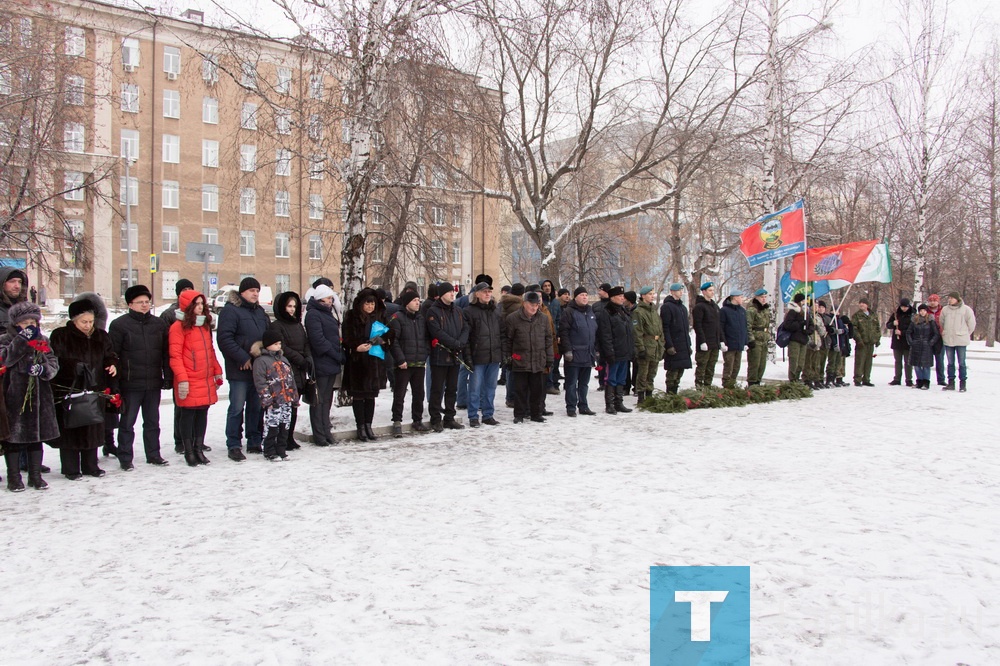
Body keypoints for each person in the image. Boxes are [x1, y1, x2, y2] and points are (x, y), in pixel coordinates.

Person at [50, 298, 119, 479]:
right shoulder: (61, 336)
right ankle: (71, 468)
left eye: (91, 321)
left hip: (95, 388)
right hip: (70, 390)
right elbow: (54, 361)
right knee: (71, 428)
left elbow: (110, 354)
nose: (88, 326)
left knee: (93, 425)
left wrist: (111, 363)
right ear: (73, 320)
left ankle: (91, 465)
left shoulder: (101, 336)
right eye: (84, 322)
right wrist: (73, 367)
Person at [108, 284, 171, 470]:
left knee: (152, 422)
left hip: (152, 381)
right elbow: (113, 355)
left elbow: (166, 353)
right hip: (130, 383)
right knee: (127, 423)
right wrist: (116, 383)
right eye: (140, 302)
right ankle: (125, 457)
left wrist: (167, 376)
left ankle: (153, 454)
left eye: (147, 302)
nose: (145, 305)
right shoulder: (119, 325)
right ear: (130, 304)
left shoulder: (159, 324)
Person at [1, 302, 59, 491]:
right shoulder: (6, 339)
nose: (30, 326)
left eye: (33, 321)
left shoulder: (42, 339)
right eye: (25, 322)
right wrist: (21, 340)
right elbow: (5, 359)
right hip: (14, 396)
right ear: (16, 323)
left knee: (36, 436)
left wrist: (43, 369)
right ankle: (14, 477)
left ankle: (35, 476)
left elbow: (52, 362)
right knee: (14, 438)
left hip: (39, 396)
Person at [217, 277, 270, 461]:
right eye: (251, 291)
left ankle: (255, 440)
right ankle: (234, 443)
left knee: (256, 406)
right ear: (242, 292)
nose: (255, 294)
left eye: (257, 290)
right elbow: (225, 339)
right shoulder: (231, 311)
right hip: (239, 368)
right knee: (237, 407)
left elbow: (268, 336)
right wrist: (243, 357)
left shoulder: (260, 312)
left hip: (258, 368)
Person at [168, 291, 221, 466]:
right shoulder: (178, 327)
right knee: (188, 414)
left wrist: (217, 370)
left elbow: (210, 351)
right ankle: (189, 450)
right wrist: (182, 379)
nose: (200, 307)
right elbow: (175, 356)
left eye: (201, 304)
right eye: (196, 304)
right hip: (189, 378)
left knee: (202, 413)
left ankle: (199, 448)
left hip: (204, 377)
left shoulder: (204, 325)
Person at [341, 288, 390, 440]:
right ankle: (360, 426)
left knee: (371, 396)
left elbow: (389, 336)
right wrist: (356, 346)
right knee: (358, 396)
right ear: (361, 304)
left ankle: (368, 425)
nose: (370, 307)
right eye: (367, 304)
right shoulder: (351, 317)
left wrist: (381, 341)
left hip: (374, 361)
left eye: (373, 304)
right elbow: (347, 337)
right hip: (358, 362)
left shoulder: (379, 317)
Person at [267, 291, 311, 451]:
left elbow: (306, 342)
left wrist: (308, 357)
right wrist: (300, 359)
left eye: (294, 306)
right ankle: (281, 437)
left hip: (299, 371)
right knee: (284, 406)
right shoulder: (277, 325)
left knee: (294, 405)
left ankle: (290, 436)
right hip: (286, 369)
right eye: (289, 306)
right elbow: (282, 347)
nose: (292, 309)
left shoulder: (298, 324)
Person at [304, 284, 345, 447]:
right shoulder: (313, 315)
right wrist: (335, 354)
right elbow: (318, 340)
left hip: (331, 362)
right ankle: (319, 434)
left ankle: (326, 430)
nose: (331, 301)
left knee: (326, 399)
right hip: (322, 362)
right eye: (329, 298)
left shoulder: (327, 314)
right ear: (321, 299)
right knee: (319, 400)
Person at [502, 291, 552, 423]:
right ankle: (519, 414)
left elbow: (548, 339)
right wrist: (508, 358)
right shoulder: (513, 318)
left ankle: (536, 414)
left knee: (537, 390)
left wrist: (549, 358)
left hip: (538, 360)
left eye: (537, 305)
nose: (534, 307)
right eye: (531, 304)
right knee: (520, 390)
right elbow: (508, 340)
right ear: (524, 304)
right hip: (520, 360)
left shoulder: (543, 318)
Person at [426, 281, 470, 431]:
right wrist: (454, 343)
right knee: (437, 388)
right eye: (449, 292)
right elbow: (437, 332)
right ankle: (435, 418)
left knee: (452, 388)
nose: (452, 294)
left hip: (455, 356)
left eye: (453, 291)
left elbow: (465, 328)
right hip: (440, 355)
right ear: (441, 294)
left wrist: (460, 343)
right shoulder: (433, 311)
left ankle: (449, 417)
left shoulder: (458, 310)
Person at [388, 288, 430, 437]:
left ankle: (417, 420)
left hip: (418, 362)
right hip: (403, 364)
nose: (418, 303)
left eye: (419, 300)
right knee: (399, 394)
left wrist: (424, 354)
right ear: (407, 303)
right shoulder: (397, 318)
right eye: (414, 300)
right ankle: (397, 421)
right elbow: (393, 341)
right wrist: (400, 359)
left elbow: (426, 339)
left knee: (419, 393)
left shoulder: (420, 319)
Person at [251, 330, 299, 461]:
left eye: (279, 343)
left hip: (286, 399)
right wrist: (267, 399)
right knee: (272, 425)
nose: (279, 346)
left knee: (285, 425)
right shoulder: (261, 361)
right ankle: (269, 450)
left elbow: (291, 379)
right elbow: (260, 382)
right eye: (275, 344)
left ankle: (281, 449)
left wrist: (294, 396)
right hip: (273, 400)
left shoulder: (283, 359)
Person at [161, 278, 196, 455]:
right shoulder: (170, 315)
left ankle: (196, 440)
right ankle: (180, 440)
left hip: (195, 368)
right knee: (181, 407)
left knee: (197, 406)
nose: (187, 293)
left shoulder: (199, 314)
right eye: (184, 290)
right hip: (178, 367)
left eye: (190, 289)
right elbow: (167, 346)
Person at [464, 282, 503, 427]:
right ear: (477, 294)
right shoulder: (469, 311)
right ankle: (473, 416)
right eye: (484, 291)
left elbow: (502, 334)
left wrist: (502, 353)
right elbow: (466, 338)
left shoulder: (496, 311)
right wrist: (468, 357)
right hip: (477, 357)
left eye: (489, 291)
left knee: (490, 388)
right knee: (475, 388)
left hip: (494, 356)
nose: (487, 294)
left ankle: (488, 414)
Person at [595, 286, 634, 414]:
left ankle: (619, 402)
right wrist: (609, 352)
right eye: (619, 296)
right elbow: (605, 335)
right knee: (611, 378)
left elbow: (628, 332)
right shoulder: (607, 312)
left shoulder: (623, 311)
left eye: (623, 296)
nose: (622, 298)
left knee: (621, 378)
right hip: (614, 351)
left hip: (624, 350)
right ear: (612, 297)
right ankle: (610, 404)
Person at [631, 286, 665, 401]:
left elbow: (660, 329)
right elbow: (637, 332)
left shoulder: (654, 311)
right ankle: (641, 395)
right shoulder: (638, 312)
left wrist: (662, 344)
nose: (652, 296)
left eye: (653, 294)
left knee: (652, 372)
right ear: (643, 296)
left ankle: (649, 394)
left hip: (655, 345)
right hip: (646, 345)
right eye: (650, 294)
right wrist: (640, 348)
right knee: (643, 373)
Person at [939, 291, 976, 392]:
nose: (950, 300)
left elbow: (971, 324)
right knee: (950, 363)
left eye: (952, 298)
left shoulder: (966, 309)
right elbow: (941, 322)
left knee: (962, 363)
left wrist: (964, 333)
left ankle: (962, 384)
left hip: (961, 340)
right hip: (948, 339)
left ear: (957, 299)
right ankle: (951, 382)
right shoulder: (945, 310)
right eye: (949, 298)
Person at [659, 283, 692, 394]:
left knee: (680, 371)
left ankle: (675, 391)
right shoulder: (667, 307)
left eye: (682, 290)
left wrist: (689, 345)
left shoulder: (682, 307)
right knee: (672, 371)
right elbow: (665, 327)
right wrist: (669, 345)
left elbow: (685, 329)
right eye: (678, 290)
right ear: (672, 292)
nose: (681, 292)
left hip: (683, 344)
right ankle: (670, 393)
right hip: (674, 343)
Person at [692, 281, 724, 388]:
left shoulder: (714, 306)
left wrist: (722, 340)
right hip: (705, 342)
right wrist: (702, 341)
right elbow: (698, 325)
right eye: (710, 291)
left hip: (714, 342)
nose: (712, 293)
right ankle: (699, 388)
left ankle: (707, 387)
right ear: (704, 292)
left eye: (713, 291)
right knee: (702, 366)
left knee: (711, 367)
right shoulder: (700, 307)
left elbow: (718, 325)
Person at [499, 283, 524, 405]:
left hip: (505, 339)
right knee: (514, 371)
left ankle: (509, 397)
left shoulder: (503, 303)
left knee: (509, 369)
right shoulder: (519, 306)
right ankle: (512, 398)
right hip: (516, 340)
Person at [718, 290, 748, 390]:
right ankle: (726, 386)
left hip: (739, 344)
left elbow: (745, 327)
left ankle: (733, 384)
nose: (742, 299)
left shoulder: (742, 311)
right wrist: (722, 341)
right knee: (728, 366)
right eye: (740, 297)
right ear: (734, 298)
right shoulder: (724, 311)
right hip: (729, 344)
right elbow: (721, 327)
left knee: (736, 366)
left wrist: (745, 342)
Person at [906, 304, 940, 390]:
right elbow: (908, 332)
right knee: (916, 365)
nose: (922, 312)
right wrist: (911, 342)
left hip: (926, 345)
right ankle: (919, 381)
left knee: (926, 365)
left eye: (924, 310)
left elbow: (936, 333)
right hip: (916, 345)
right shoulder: (914, 321)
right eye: (921, 311)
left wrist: (930, 342)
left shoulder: (931, 320)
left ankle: (926, 382)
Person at [851, 297, 880, 387]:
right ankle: (857, 379)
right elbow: (854, 329)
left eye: (863, 303)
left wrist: (877, 339)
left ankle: (866, 379)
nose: (861, 304)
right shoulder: (856, 316)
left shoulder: (873, 315)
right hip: (861, 342)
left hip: (870, 342)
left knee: (868, 362)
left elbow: (877, 328)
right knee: (860, 361)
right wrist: (858, 340)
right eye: (860, 303)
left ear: (867, 304)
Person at [782, 293, 811, 383]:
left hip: (803, 340)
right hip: (794, 339)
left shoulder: (806, 313)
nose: (804, 303)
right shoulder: (793, 312)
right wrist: (800, 323)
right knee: (794, 361)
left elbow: (811, 325)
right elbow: (788, 325)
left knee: (801, 363)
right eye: (802, 301)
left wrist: (808, 330)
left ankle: (797, 378)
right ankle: (793, 379)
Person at [885, 297, 914, 386]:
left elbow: (913, 329)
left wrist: (902, 332)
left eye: (905, 307)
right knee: (897, 361)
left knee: (907, 361)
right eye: (902, 307)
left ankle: (908, 379)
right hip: (897, 342)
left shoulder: (912, 315)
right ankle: (897, 378)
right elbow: (888, 325)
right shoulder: (896, 314)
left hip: (907, 341)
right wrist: (893, 324)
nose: (904, 308)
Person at [745, 289, 770, 385]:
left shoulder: (765, 309)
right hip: (755, 339)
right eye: (761, 297)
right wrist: (751, 339)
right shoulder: (752, 309)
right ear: (756, 297)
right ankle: (752, 383)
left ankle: (758, 381)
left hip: (764, 339)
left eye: (765, 297)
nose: (763, 299)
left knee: (762, 364)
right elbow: (748, 325)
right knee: (754, 363)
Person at [803, 300, 829, 390]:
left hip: (817, 342)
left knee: (816, 363)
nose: (817, 307)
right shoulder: (807, 315)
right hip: (809, 342)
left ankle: (816, 379)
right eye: (815, 305)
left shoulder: (818, 317)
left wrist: (819, 328)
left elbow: (823, 331)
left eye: (817, 305)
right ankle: (807, 380)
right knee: (808, 363)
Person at [924, 293, 947, 386]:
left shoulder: (943, 311)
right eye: (931, 301)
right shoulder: (925, 311)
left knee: (940, 359)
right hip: (928, 337)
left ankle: (941, 379)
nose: (933, 303)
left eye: (935, 301)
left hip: (940, 338)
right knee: (926, 359)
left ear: (938, 301)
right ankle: (925, 379)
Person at [828, 310, 853, 387]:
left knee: (839, 362)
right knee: (832, 362)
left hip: (841, 344)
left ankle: (838, 378)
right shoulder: (831, 319)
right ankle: (830, 379)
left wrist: (843, 330)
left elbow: (847, 332)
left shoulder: (840, 320)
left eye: (838, 311)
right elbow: (831, 331)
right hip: (834, 344)